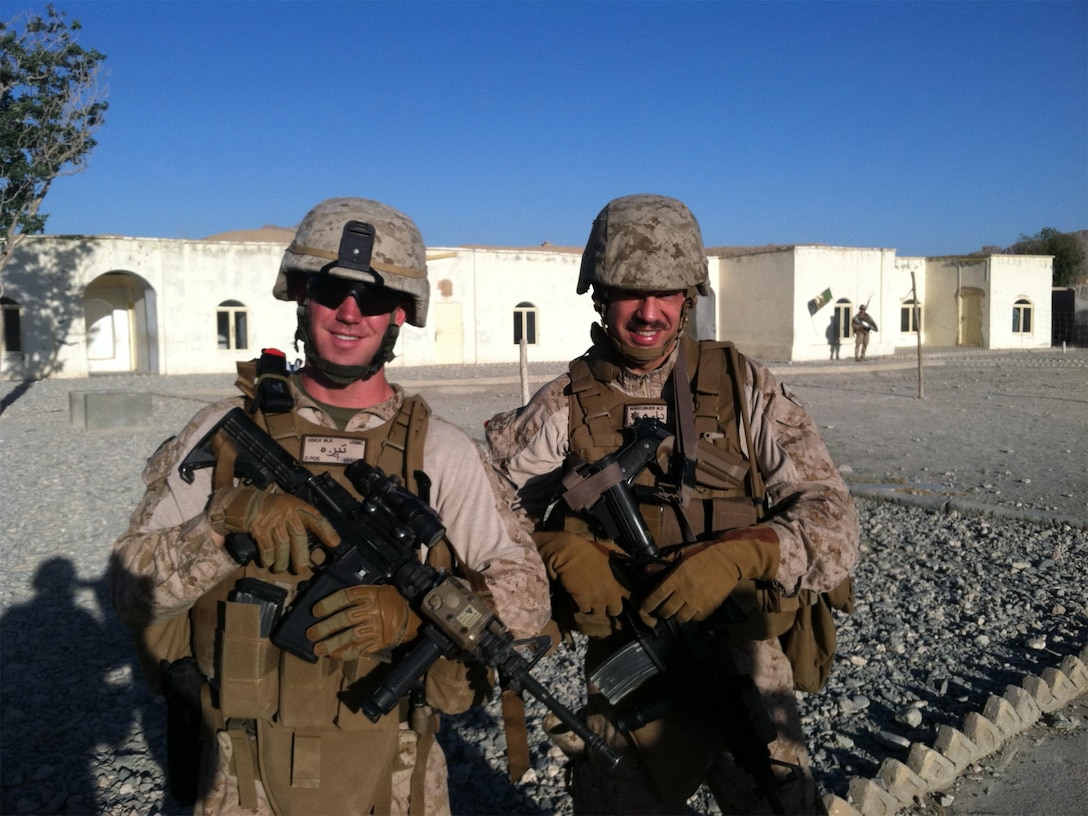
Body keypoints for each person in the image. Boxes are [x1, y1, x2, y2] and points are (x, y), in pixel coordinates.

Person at [110, 197, 551, 816]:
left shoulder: (442, 451)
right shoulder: (224, 434)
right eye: (332, 290)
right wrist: (222, 524)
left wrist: (416, 616)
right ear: (301, 297)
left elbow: (528, 603)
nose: (349, 313)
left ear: (400, 313)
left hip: (392, 773)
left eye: (372, 298)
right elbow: (130, 590)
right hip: (237, 775)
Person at [486, 194, 860, 815]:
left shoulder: (743, 386)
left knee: (777, 798)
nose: (649, 312)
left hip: (742, 664)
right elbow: (483, 520)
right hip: (630, 664)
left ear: (690, 297)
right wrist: (556, 552)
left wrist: (746, 555)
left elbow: (832, 518)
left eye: (668, 293)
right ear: (599, 296)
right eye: (630, 291)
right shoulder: (561, 405)